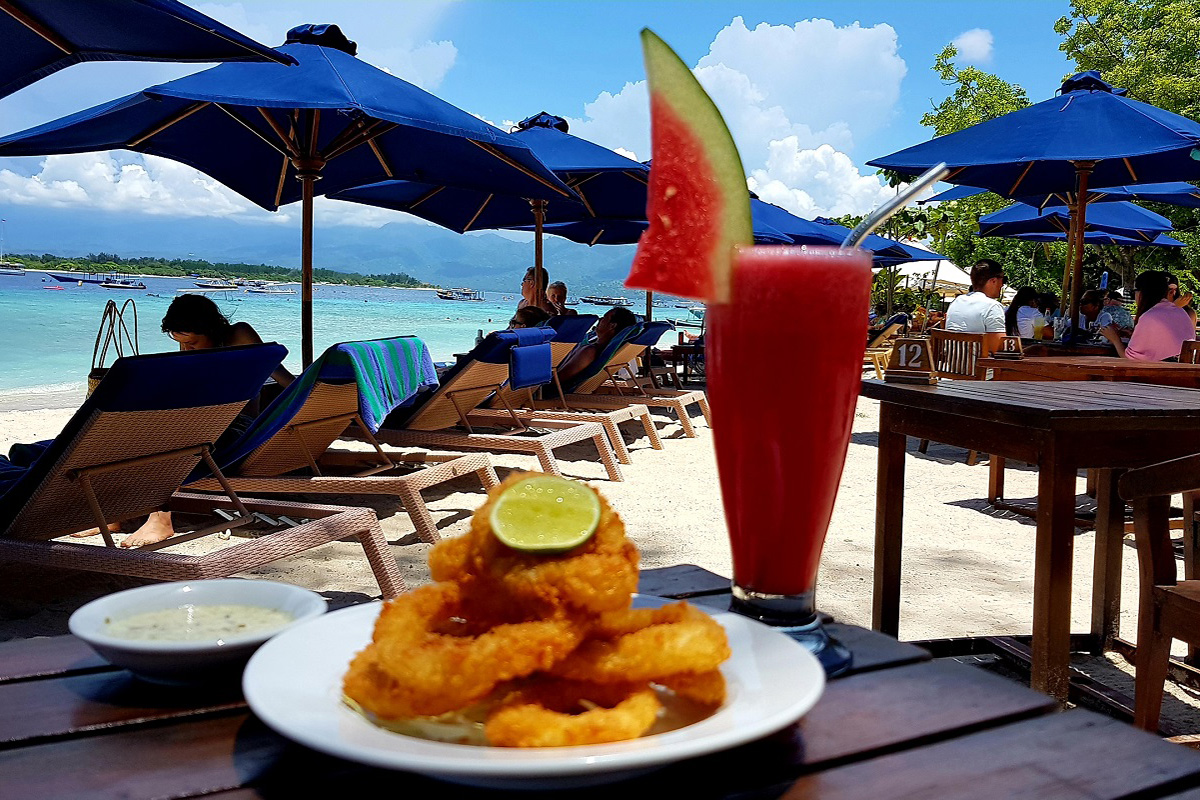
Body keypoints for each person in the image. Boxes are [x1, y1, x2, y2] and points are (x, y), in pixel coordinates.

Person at [83, 295, 294, 548]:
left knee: (167, 440)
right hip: (204, 425)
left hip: (236, 428)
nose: (186, 349)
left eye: (192, 342)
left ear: (211, 328)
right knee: (121, 435)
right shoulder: (195, 353)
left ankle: (160, 519)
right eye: (181, 343)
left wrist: (301, 403)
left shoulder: (237, 335)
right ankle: (116, 514)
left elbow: (279, 372)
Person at [1099, 270, 1195, 361]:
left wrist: (1114, 339)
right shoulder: (1181, 312)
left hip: (1160, 374)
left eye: (1134, 291)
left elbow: (1130, 359)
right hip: (1182, 372)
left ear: (1142, 292)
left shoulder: (1150, 317)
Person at [556, 307, 637, 385]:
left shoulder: (590, 351)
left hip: (551, 391)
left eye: (604, 318)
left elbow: (559, 379)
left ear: (612, 326)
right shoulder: (602, 350)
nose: (600, 320)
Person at [945, 259, 1006, 351]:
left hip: (952, 364)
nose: (1002, 285)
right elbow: (998, 348)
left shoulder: (956, 302)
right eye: (1003, 280)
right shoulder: (992, 307)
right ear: (993, 280)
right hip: (978, 364)